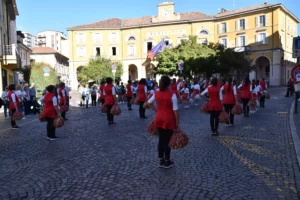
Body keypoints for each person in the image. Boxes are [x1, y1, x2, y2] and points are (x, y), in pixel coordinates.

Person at [147, 75, 179, 168]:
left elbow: (148, 103)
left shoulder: (156, 93)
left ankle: (161, 159)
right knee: (167, 140)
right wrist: (178, 123)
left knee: (161, 139)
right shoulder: (172, 94)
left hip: (159, 117)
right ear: (169, 84)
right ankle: (167, 161)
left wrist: (156, 110)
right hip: (169, 119)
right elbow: (175, 110)